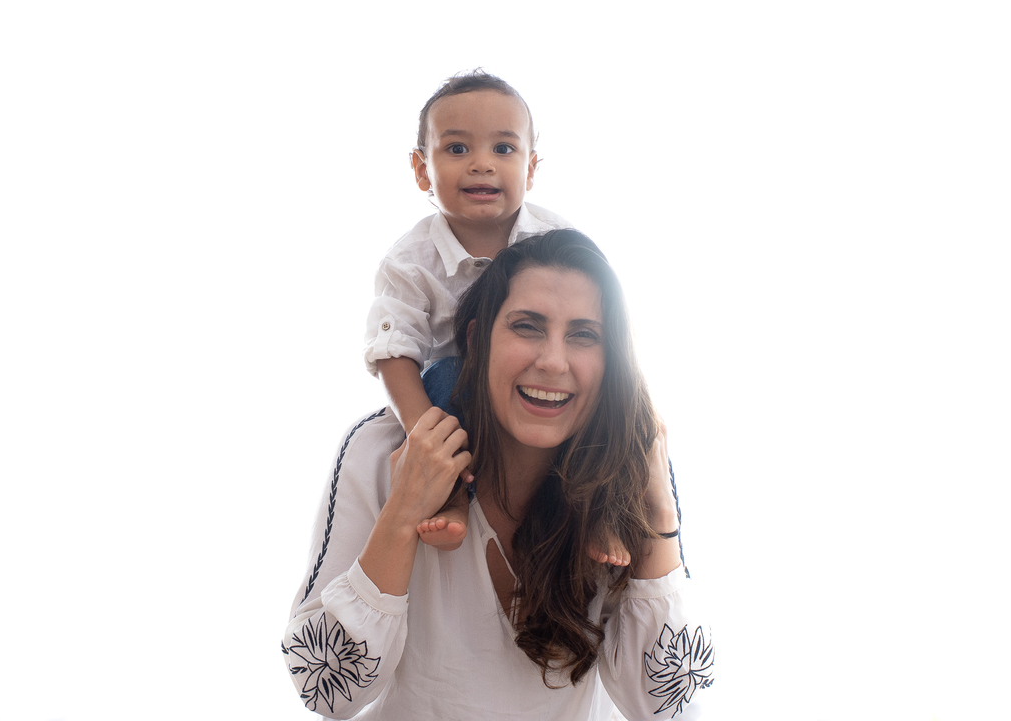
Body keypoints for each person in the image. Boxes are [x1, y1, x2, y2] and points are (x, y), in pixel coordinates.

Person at [285, 230, 713, 720]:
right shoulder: (380, 451)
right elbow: (326, 692)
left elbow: (668, 704)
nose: (553, 361)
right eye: (527, 327)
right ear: (476, 339)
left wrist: (658, 510)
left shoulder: (625, 477)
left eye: (584, 335)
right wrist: (403, 513)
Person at [365, 70, 626, 566]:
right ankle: (452, 495)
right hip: (460, 396)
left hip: (540, 393)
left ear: (530, 169)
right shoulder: (409, 261)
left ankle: (604, 509)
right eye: (458, 149)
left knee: (617, 400)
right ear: (422, 170)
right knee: (441, 374)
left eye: (504, 150)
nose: (482, 164)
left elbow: (597, 319)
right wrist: (426, 433)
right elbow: (393, 347)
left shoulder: (555, 237)